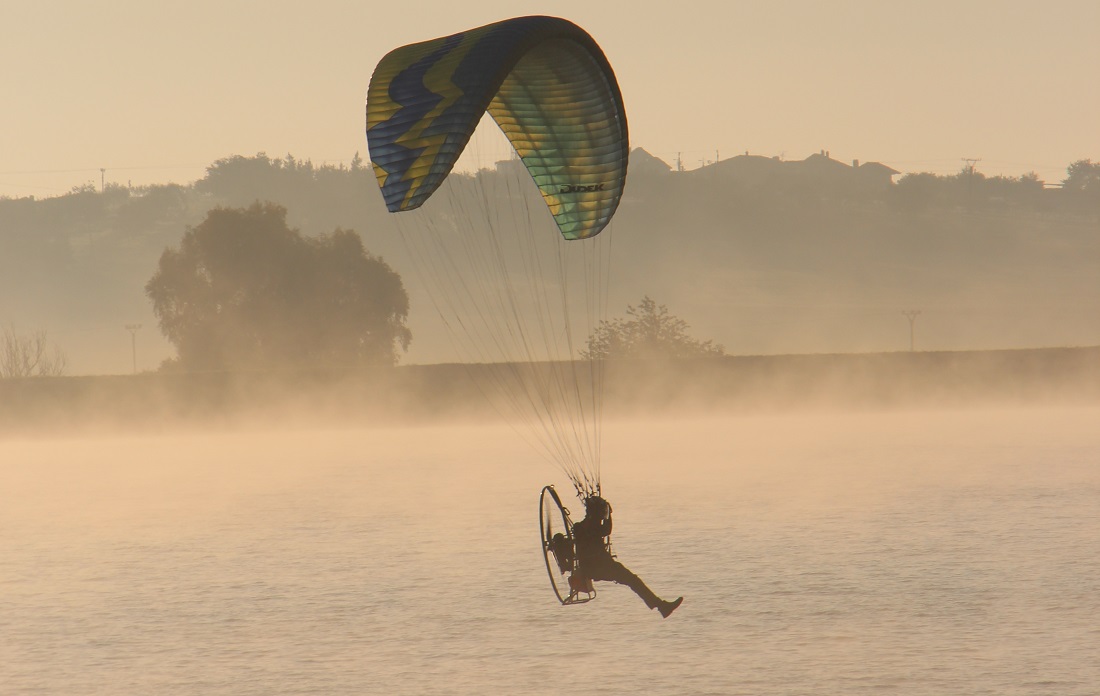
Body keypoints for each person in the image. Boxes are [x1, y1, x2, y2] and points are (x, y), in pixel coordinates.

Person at [572, 494, 683, 618]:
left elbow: (602, 530)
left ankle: (661, 606)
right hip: (601, 568)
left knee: (633, 580)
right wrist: (610, 515)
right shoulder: (592, 528)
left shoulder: (580, 527)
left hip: (599, 567)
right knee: (633, 580)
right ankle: (661, 606)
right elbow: (607, 530)